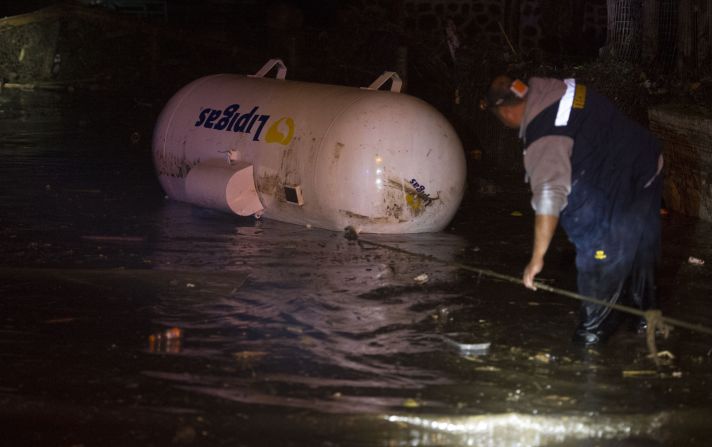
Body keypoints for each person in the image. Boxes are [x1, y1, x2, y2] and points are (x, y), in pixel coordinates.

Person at [481, 75, 664, 345]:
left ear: (506, 112)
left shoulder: (545, 139)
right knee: (641, 247)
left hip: (619, 182)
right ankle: (649, 322)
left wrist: (537, 258)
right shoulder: (558, 88)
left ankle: (589, 347)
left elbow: (548, 197)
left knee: (598, 257)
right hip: (646, 166)